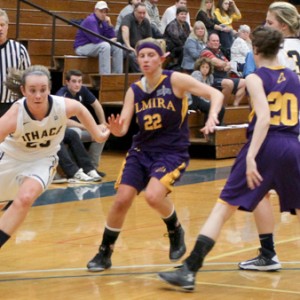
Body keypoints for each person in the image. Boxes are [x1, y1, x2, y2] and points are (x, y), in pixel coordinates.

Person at [158, 25, 300, 291]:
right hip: (292, 145)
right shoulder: (293, 76)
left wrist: (251, 157)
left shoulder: (257, 77)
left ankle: (189, 270)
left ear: (254, 50)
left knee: (223, 208)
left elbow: (265, 119)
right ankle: (268, 254)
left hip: (265, 145)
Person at [86, 38, 224, 272]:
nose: (146, 59)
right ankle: (104, 252)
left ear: (161, 58)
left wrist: (212, 117)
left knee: (152, 196)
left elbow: (216, 95)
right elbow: (124, 127)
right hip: (142, 151)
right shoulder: (135, 90)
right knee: (122, 199)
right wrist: (117, 130)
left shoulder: (175, 80)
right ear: (137, 60)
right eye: (142, 56)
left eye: (151, 55)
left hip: (171, 151)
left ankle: (175, 229)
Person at [0, 65, 110, 250]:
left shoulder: (63, 106)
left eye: (43, 90)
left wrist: (100, 134)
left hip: (43, 160)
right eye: (32, 90)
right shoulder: (15, 115)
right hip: (10, 159)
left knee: (25, 198)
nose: (38, 96)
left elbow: (82, 111)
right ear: (23, 90)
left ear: (49, 88)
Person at [239, 1, 300, 272]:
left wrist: (245, 83)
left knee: (258, 187)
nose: (265, 26)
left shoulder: (277, 52)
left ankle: (268, 253)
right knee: (265, 189)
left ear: (283, 27)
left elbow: (267, 86)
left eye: (270, 22)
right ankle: (267, 253)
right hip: (290, 129)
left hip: (282, 131)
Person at [56, 69, 106, 173]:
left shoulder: (83, 90)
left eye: (79, 81)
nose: (77, 84)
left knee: (103, 132)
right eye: (74, 81)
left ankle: (92, 167)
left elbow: (96, 104)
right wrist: (88, 127)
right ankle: (77, 168)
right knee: (75, 132)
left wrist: (103, 123)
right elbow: (64, 121)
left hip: (81, 127)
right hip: (66, 130)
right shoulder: (61, 95)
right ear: (67, 82)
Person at [74, 1, 123, 75]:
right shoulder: (91, 20)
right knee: (105, 46)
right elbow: (96, 39)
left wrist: (109, 24)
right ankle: (105, 76)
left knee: (118, 45)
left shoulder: (103, 21)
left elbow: (112, 36)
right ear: (95, 10)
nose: (103, 14)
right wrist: (110, 41)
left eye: (105, 12)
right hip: (82, 47)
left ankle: (117, 75)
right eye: (101, 11)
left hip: (94, 46)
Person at [201, 33, 246, 106]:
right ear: (208, 42)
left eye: (217, 41)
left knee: (245, 82)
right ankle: (222, 107)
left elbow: (229, 65)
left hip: (224, 78)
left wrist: (222, 65)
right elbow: (218, 63)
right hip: (212, 79)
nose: (216, 43)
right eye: (213, 41)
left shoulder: (219, 52)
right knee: (229, 83)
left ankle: (235, 105)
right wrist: (222, 65)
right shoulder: (205, 52)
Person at [0, 9, 31, 117]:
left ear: (7, 26)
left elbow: (28, 77)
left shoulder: (19, 49)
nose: (0, 28)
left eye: (2, 24)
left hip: (10, 105)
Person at [189, 57, 225, 124]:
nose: (205, 69)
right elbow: (196, 90)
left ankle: (217, 127)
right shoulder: (196, 73)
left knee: (221, 108)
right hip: (194, 99)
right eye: (203, 67)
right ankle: (207, 130)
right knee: (210, 107)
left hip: (204, 99)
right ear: (199, 67)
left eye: (207, 67)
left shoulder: (210, 76)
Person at [117, 3, 152, 73]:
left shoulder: (146, 21)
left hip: (139, 47)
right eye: (140, 13)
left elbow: (149, 39)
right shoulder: (128, 18)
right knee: (132, 55)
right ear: (134, 11)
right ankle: (142, 75)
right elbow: (124, 29)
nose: (142, 15)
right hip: (124, 46)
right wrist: (128, 46)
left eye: (144, 13)